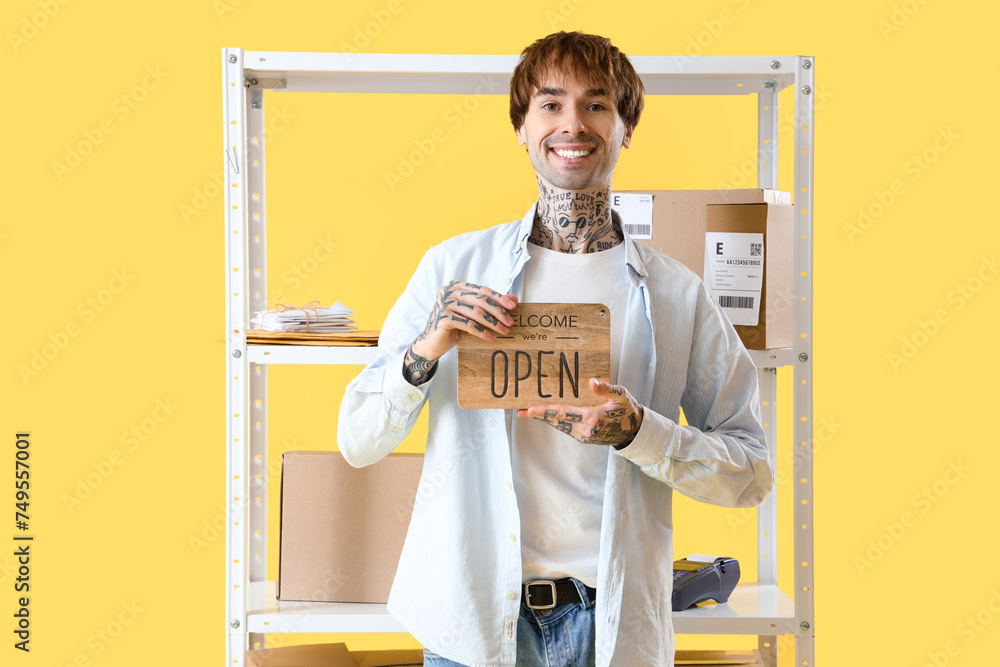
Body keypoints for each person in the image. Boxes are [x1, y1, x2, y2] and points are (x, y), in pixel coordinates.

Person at [338, 31, 773, 667]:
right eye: (550, 104)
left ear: (626, 128)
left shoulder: (678, 295)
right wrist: (426, 347)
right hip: (473, 624)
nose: (573, 124)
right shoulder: (454, 267)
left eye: (597, 105)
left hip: (615, 627)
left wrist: (640, 433)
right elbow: (358, 438)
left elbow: (752, 475)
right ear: (521, 127)